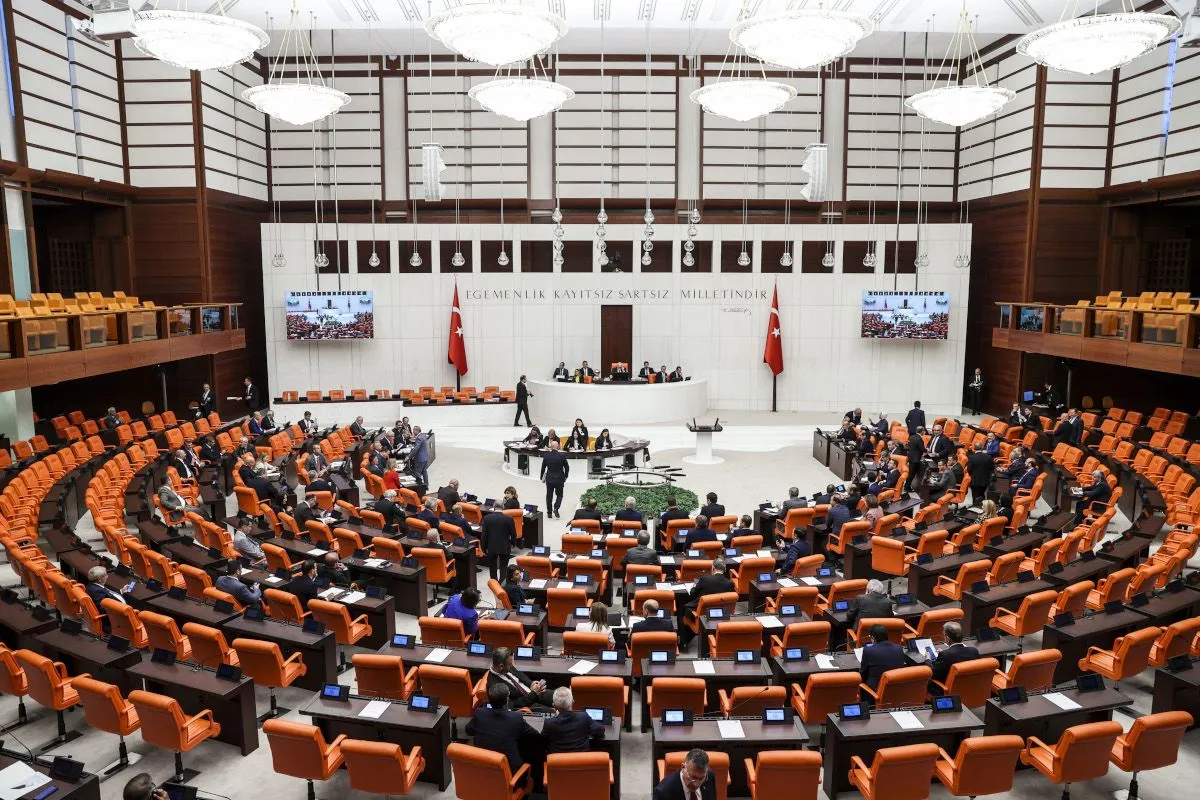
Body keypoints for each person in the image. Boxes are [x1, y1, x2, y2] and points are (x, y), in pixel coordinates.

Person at [465, 683, 540, 774]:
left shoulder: (479, 713)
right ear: (507, 699)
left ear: (489, 699)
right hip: (509, 772)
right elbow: (536, 735)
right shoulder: (516, 718)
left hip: (481, 767)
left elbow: (468, 731)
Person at [680, 560, 734, 647]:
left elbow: (692, 594)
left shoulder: (704, 579)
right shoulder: (730, 584)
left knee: (683, 608)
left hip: (701, 613)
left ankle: (684, 642)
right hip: (720, 614)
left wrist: (694, 586)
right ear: (724, 569)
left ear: (713, 568)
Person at [543, 686, 605, 754]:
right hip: (582, 760)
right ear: (573, 702)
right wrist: (587, 729)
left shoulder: (549, 723)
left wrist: (557, 717)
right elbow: (600, 730)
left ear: (554, 706)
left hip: (558, 760)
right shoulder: (583, 717)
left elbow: (541, 741)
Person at [487, 647, 553, 709]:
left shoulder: (506, 666)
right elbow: (511, 705)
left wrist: (531, 683)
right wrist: (533, 694)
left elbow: (520, 675)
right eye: (510, 664)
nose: (511, 666)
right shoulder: (494, 686)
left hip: (534, 691)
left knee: (558, 696)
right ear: (501, 666)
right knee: (552, 712)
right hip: (528, 704)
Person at [927, 621, 980, 692]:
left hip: (949, 692)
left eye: (944, 635)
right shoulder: (974, 651)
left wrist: (927, 659)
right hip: (970, 689)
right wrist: (945, 652)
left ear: (948, 638)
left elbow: (933, 674)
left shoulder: (945, 655)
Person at [653, 748, 717, 800]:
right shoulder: (663, 792)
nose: (696, 784)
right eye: (693, 777)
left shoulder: (709, 776)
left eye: (701, 779)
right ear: (683, 767)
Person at [859, 623, 906, 693]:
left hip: (875, 690)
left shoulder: (868, 650)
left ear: (873, 638)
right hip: (896, 688)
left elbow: (863, 673)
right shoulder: (899, 648)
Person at [481, 505, 518, 581]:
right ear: (503, 507)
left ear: (494, 507)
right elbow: (513, 534)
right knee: (503, 566)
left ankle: (494, 583)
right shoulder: (509, 518)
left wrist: (483, 548)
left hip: (491, 546)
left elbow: (484, 535)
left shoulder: (487, 518)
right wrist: (513, 543)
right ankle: (502, 582)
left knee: (492, 566)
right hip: (505, 546)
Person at [540, 439, 568, 518]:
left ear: (550, 447)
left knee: (549, 496)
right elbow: (567, 467)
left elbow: (543, 467)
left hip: (549, 479)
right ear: (558, 446)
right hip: (559, 479)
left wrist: (541, 477)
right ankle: (556, 507)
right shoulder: (562, 455)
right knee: (560, 495)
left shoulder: (546, 455)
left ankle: (549, 513)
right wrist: (565, 476)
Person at [966, 441, 996, 506]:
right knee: (982, 494)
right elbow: (992, 468)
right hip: (985, 480)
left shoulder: (972, 457)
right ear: (982, 448)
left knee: (975, 495)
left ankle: (975, 507)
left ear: (974, 448)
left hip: (975, 480)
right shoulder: (988, 457)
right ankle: (983, 507)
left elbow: (969, 469)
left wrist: (972, 474)